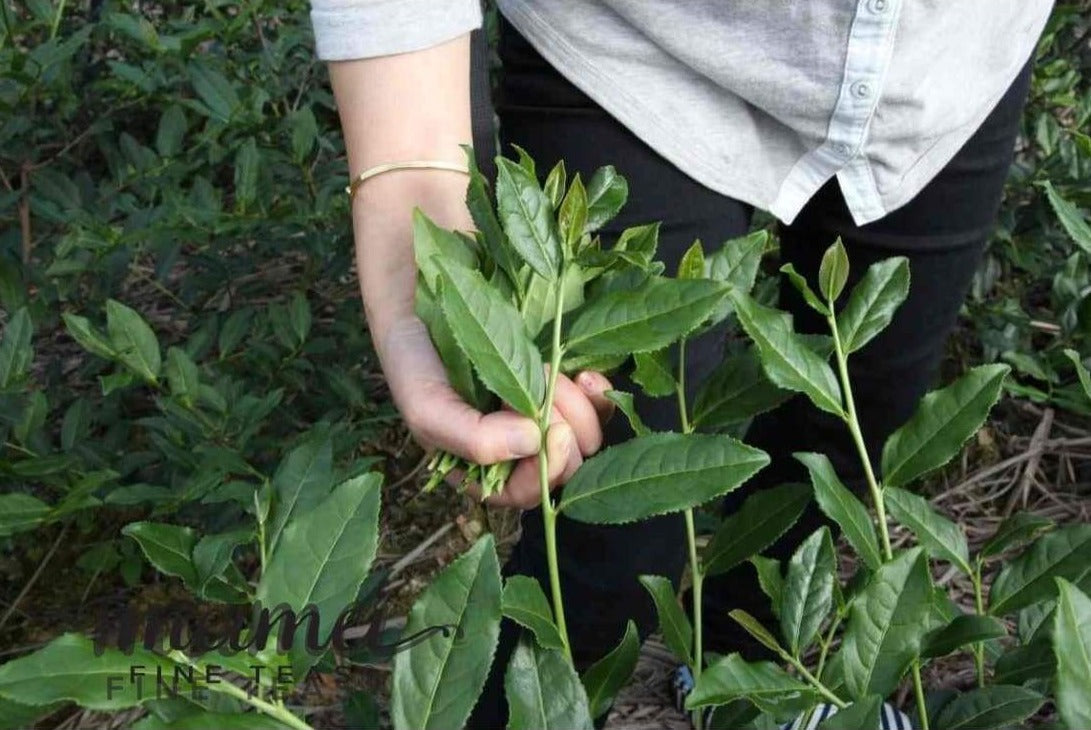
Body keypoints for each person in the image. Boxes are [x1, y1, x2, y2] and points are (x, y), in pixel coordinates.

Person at [309, 1, 1053, 727]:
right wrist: (414, 191)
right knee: (605, 512)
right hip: (630, 50)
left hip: (949, 62)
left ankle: (750, 673)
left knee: (852, 428)